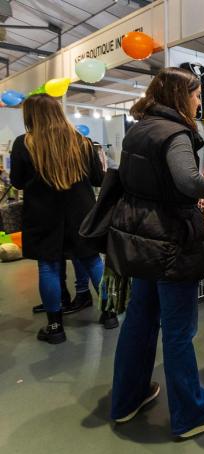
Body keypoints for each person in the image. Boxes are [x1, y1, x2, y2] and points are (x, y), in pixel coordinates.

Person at [108, 67, 204, 438]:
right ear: (181, 96)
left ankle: (127, 399)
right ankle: (191, 414)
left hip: (141, 237)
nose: (199, 103)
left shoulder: (140, 129)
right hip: (171, 240)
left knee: (140, 320)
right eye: (196, 96)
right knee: (179, 330)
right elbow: (187, 180)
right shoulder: (176, 133)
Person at [10, 94, 118, 345]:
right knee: (92, 261)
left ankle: (55, 327)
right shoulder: (81, 142)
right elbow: (97, 178)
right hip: (81, 213)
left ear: (31, 116)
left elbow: (17, 181)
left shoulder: (24, 143)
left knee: (48, 267)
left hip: (43, 215)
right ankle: (110, 314)